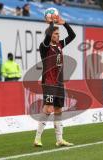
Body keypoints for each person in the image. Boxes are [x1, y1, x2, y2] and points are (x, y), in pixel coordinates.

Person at [34, 16, 76, 147]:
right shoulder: (44, 46)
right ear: (50, 34)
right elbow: (47, 36)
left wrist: (65, 24)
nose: (58, 36)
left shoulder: (59, 45)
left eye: (58, 34)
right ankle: (37, 138)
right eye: (56, 33)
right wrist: (51, 23)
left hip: (59, 83)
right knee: (47, 108)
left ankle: (59, 139)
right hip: (49, 82)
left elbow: (72, 35)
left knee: (58, 110)